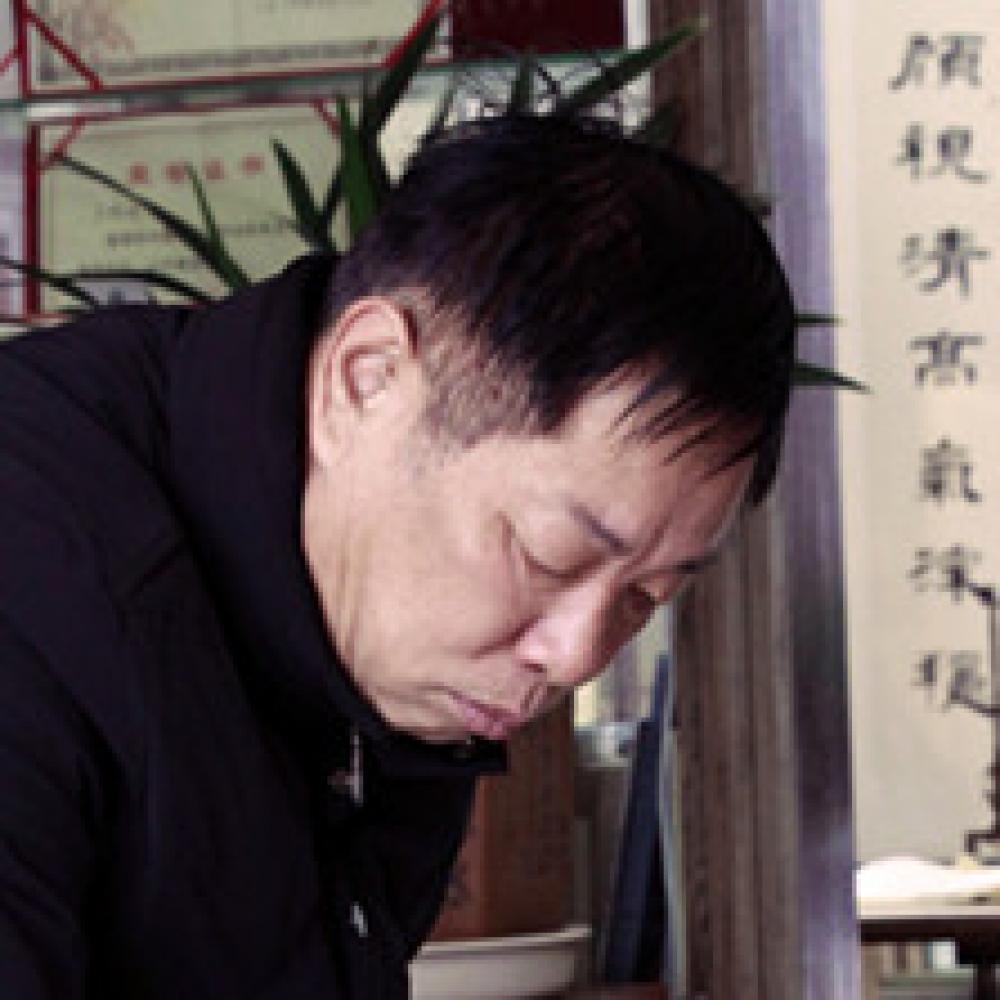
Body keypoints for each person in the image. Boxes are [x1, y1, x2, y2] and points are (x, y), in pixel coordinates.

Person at [0, 112, 794, 998]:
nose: (575, 655)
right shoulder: (37, 579)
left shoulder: (385, 648)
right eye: (548, 554)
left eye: (646, 596)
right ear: (369, 377)